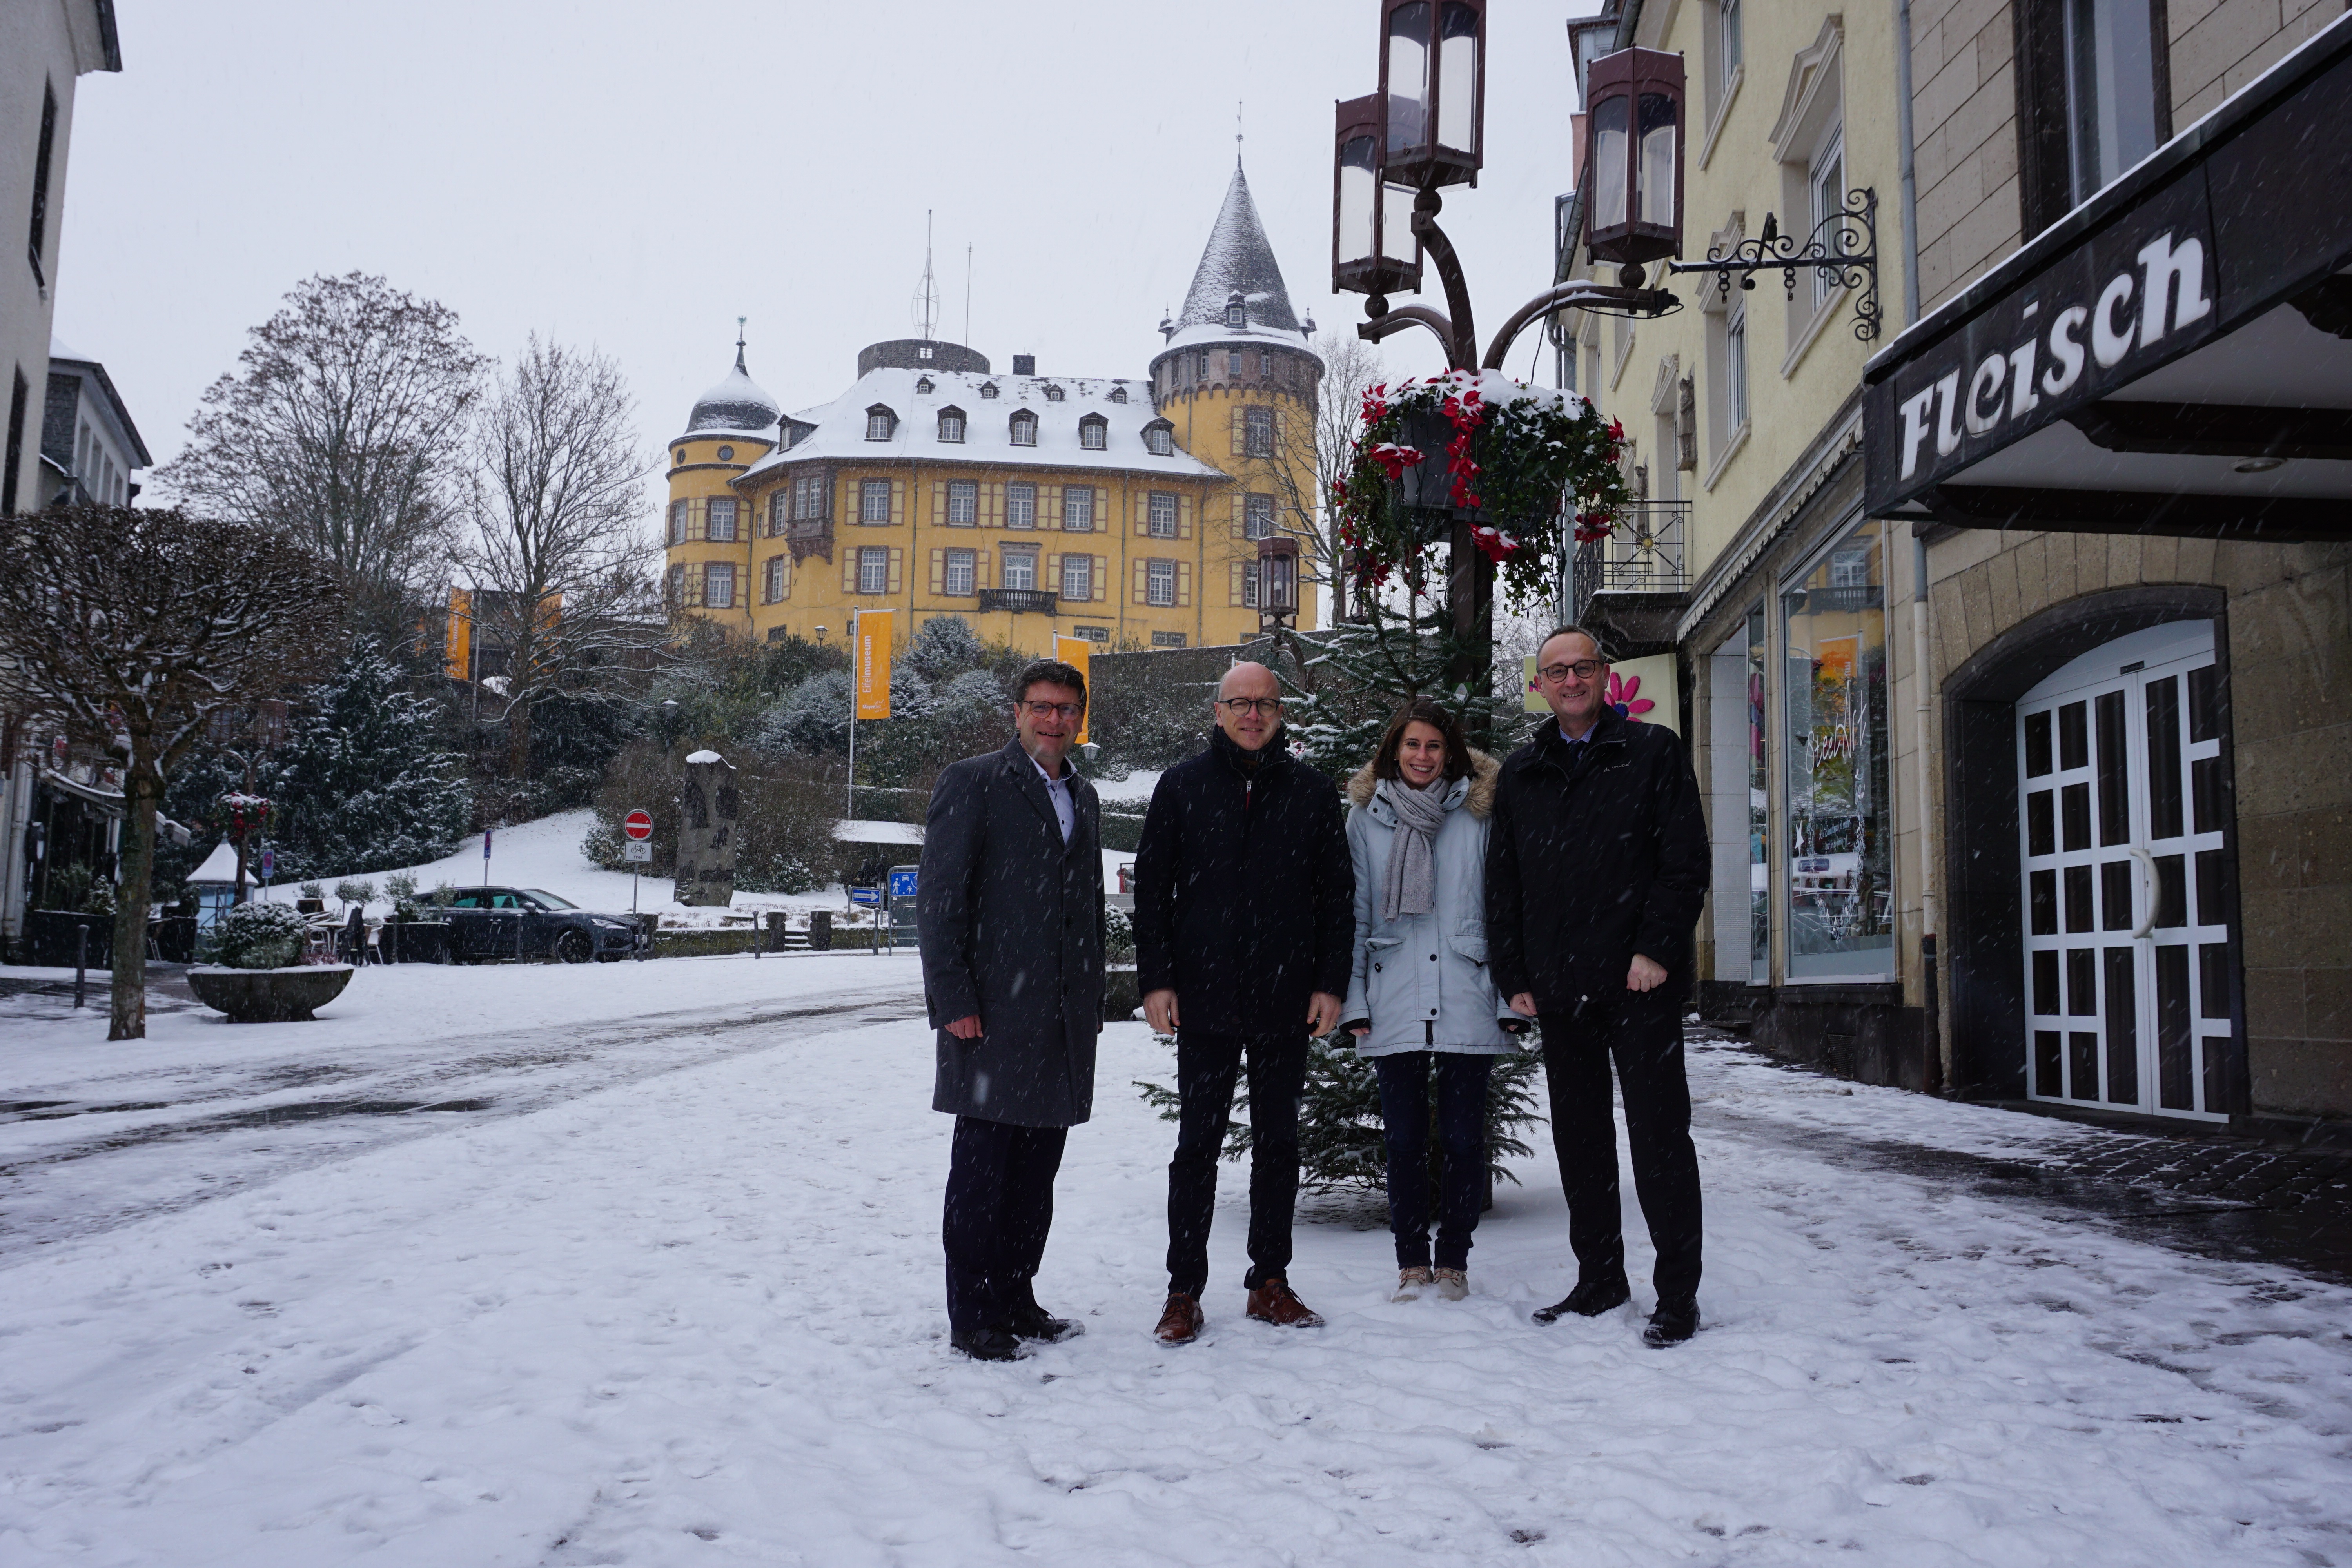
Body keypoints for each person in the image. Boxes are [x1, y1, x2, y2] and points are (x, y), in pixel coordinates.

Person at [1488, 626, 1710, 1347]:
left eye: (1582, 667)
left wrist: (1655, 949)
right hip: (1559, 990)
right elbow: (1505, 883)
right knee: (1581, 1141)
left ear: (1604, 675)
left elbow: (1683, 864)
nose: (1571, 680)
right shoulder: (1523, 772)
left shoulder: (1652, 753)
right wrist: (1513, 975)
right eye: (1557, 671)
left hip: (1638, 985)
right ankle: (1600, 1278)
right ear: (1541, 685)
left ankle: (1677, 1294)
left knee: (1659, 1139)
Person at [1133, 661, 1353, 1344]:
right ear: (1219, 712)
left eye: (1265, 704)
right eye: (1240, 703)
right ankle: (1182, 1290)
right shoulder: (1182, 788)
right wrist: (1157, 981)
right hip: (1202, 997)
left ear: (1279, 713)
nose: (1253, 715)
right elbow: (1151, 894)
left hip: (1286, 998)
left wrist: (1330, 983)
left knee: (1278, 1144)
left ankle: (1269, 1281)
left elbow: (1337, 899)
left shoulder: (1312, 793)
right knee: (1195, 1146)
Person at [918, 658, 1105, 1361]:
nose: (1054, 720)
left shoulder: (1081, 797)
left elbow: (1084, 904)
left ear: (1079, 718)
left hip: (1060, 1020)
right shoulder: (972, 783)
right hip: (992, 1015)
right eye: (1042, 706)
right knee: (982, 1174)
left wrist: (1089, 1001)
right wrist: (953, 1000)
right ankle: (973, 1314)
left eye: (1066, 709)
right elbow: (940, 902)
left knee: (1036, 1174)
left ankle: (1017, 1297)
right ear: (1018, 711)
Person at [1339, 698, 1522, 1303]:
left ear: (1453, 753)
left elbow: (1503, 910)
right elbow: (1357, 913)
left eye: (1434, 746)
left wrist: (1508, 996)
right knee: (1404, 1140)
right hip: (1393, 989)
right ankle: (1411, 1262)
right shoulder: (1366, 819)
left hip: (1468, 987)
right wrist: (1354, 1001)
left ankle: (1456, 1262)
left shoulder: (1481, 815)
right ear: (1394, 750)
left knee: (1467, 1140)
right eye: (1412, 745)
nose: (1423, 756)